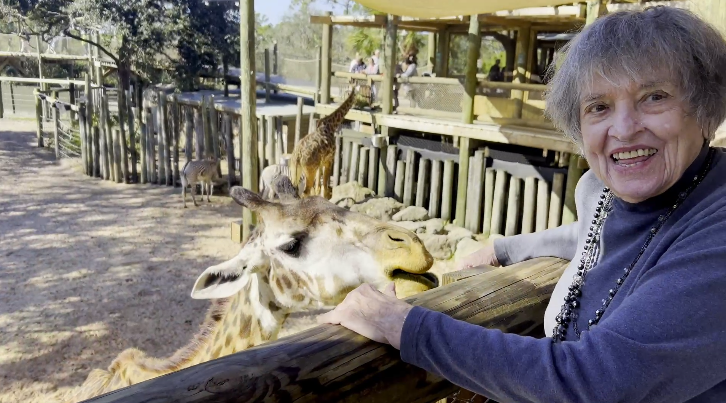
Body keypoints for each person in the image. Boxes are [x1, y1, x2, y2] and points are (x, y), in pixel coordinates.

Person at [319, 6, 726, 402]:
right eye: (599, 107)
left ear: (705, 109)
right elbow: (595, 236)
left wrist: (401, 324)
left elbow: (599, 381)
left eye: (654, 97)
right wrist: (503, 249)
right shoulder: (602, 194)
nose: (623, 128)